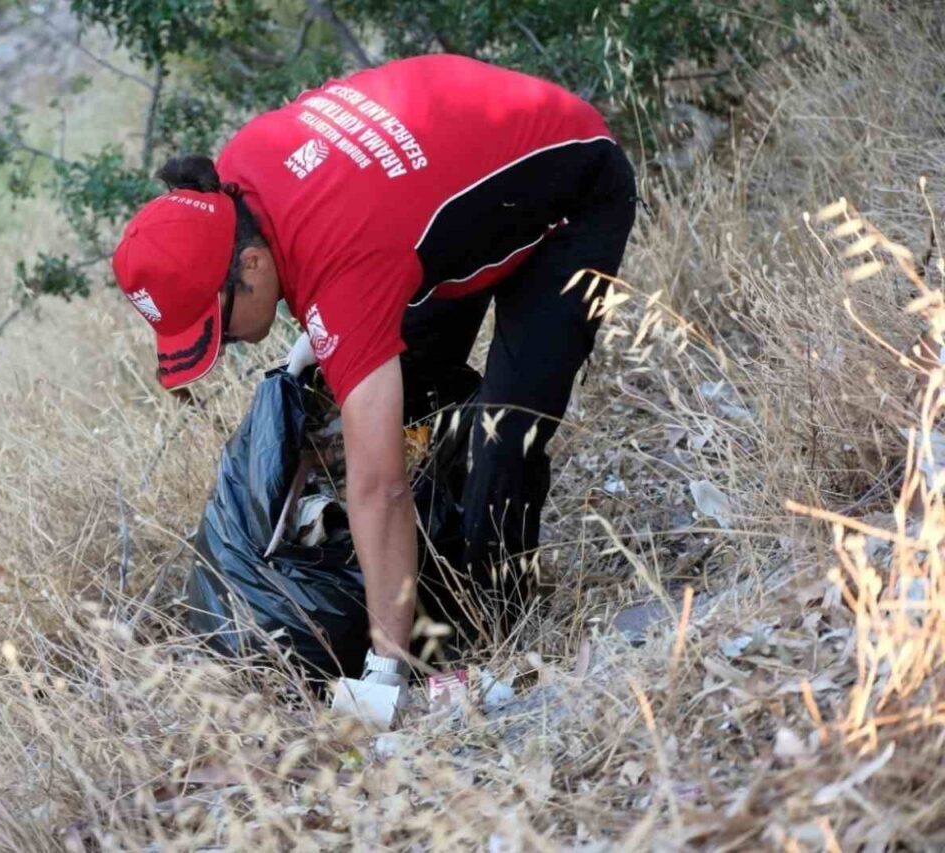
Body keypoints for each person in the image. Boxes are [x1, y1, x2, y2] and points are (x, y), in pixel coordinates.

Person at [111, 54, 636, 692]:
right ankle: (437, 567)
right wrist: (320, 339)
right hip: (453, 199)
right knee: (406, 389)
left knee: (506, 432)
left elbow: (379, 488)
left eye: (215, 324)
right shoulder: (245, 169)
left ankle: (500, 630)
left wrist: (383, 671)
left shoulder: (345, 269)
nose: (224, 346)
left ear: (249, 266)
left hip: (574, 188)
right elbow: (347, 220)